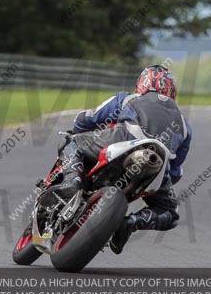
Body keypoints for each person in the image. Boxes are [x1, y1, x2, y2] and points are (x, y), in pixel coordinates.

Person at [50, 64, 191, 254]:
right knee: (170, 214)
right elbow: (174, 171)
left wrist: (76, 130)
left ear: (142, 84)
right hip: (156, 164)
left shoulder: (127, 99)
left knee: (71, 142)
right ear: (172, 90)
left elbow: (87, 118)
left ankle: (71, 181)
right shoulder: (184, 124)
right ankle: (131, 223)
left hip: (123, 140)